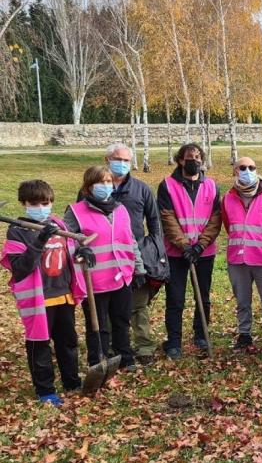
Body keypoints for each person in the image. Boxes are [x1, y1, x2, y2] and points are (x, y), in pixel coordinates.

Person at [1, 180, 84, 406]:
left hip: (63, 292)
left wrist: (82, 252)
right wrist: (39, 241)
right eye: (34, 203)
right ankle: (45, 389)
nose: (40, 207)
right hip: (38, 299)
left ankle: (72, 381)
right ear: (23, 203)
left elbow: (71, 251)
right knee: (39, 344)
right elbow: (20, 269)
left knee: (67, 341)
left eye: (45, 203)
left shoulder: (58, 224)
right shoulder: (17, 231)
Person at [65, 166, 144, 371]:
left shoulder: (120, 209)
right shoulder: (76, 211)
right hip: (95, 280)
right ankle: (97, 360)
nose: (106, 186)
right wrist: (79, 250)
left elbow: (130, 240)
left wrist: (138, 267)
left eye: (109, 181)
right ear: (89, 186)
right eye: (101, 182)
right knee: (97, 325)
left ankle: (124, 357)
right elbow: (68, 241)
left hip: (121, 275)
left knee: (121, 320)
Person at [104, 143, 167, 365]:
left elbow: (154, 221)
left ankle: (144, 347)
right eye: (117, 159)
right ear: (107, 160)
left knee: (138, 306)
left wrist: (154, 248)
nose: (121, 164)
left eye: (126, 160)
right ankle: (112, 347)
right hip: (105, 258)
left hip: (136, 255)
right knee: (110, 305)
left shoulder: (141, 189)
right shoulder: (94, 188)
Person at [158, 143, 221, 360]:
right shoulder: (167, 185)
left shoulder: (211, 186)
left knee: (202, 296)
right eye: (189, 157)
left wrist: (200, 245)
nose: (193, 160)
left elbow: (215, 219)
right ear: (181, 160)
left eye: (197, 157)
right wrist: (184, 245)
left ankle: (201, 334)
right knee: (175, 298)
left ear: (202, 160)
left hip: (204, 252)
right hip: (177, 253)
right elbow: (167, 218)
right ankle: (174, 342)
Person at [222, 156, 262, 353]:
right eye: (242, 167)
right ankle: (244, 335)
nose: (248, 170)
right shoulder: (227, 198)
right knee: (242, 301)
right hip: (238, 259)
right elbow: (229, 226)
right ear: (235, 171)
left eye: (252, 167)